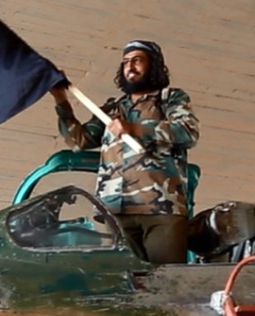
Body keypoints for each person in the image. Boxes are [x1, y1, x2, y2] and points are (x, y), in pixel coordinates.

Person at [49, 40, 200, 264]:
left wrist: (136, 129)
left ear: (154, 65)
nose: (130, 66)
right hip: (115, 211)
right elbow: (79, 140)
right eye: (126, 61)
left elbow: (187, 132)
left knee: (165, 277)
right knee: (124, 279)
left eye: (137, 60)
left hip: (161, 208)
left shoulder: (170, 98)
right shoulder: (112, 108)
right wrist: (61, 99)